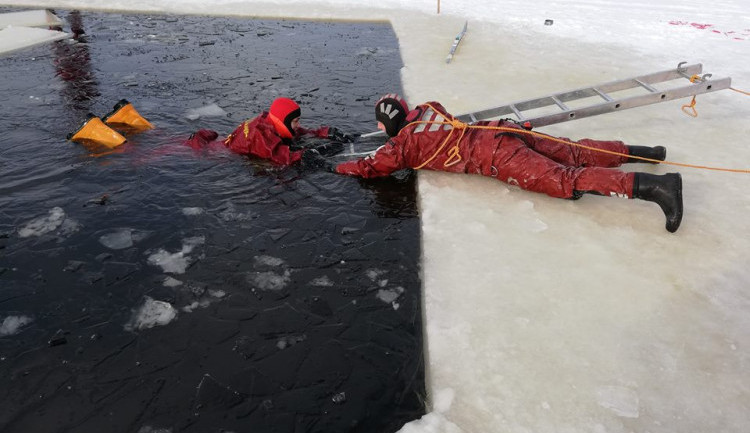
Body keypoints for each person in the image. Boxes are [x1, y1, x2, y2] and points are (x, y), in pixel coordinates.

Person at [303, 93, 683, 233]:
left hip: (497, 156)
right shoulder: (428, 111)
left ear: (389, 126)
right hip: (500, 131)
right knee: (572, 149)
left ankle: (656, 187)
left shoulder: (403, 145)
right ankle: (644, 152)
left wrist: (333, 168)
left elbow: (371, 166)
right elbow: (425, 115)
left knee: (563, 179)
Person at [185, 97, 353, 164]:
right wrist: (313, 153)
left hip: (220, 141)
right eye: (295, 121)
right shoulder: (260, 137)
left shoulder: (271, 122)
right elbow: (279, 156)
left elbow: (299, 131)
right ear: (282, 121)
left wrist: (325, 132)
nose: (298, 124)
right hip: (214, 152)